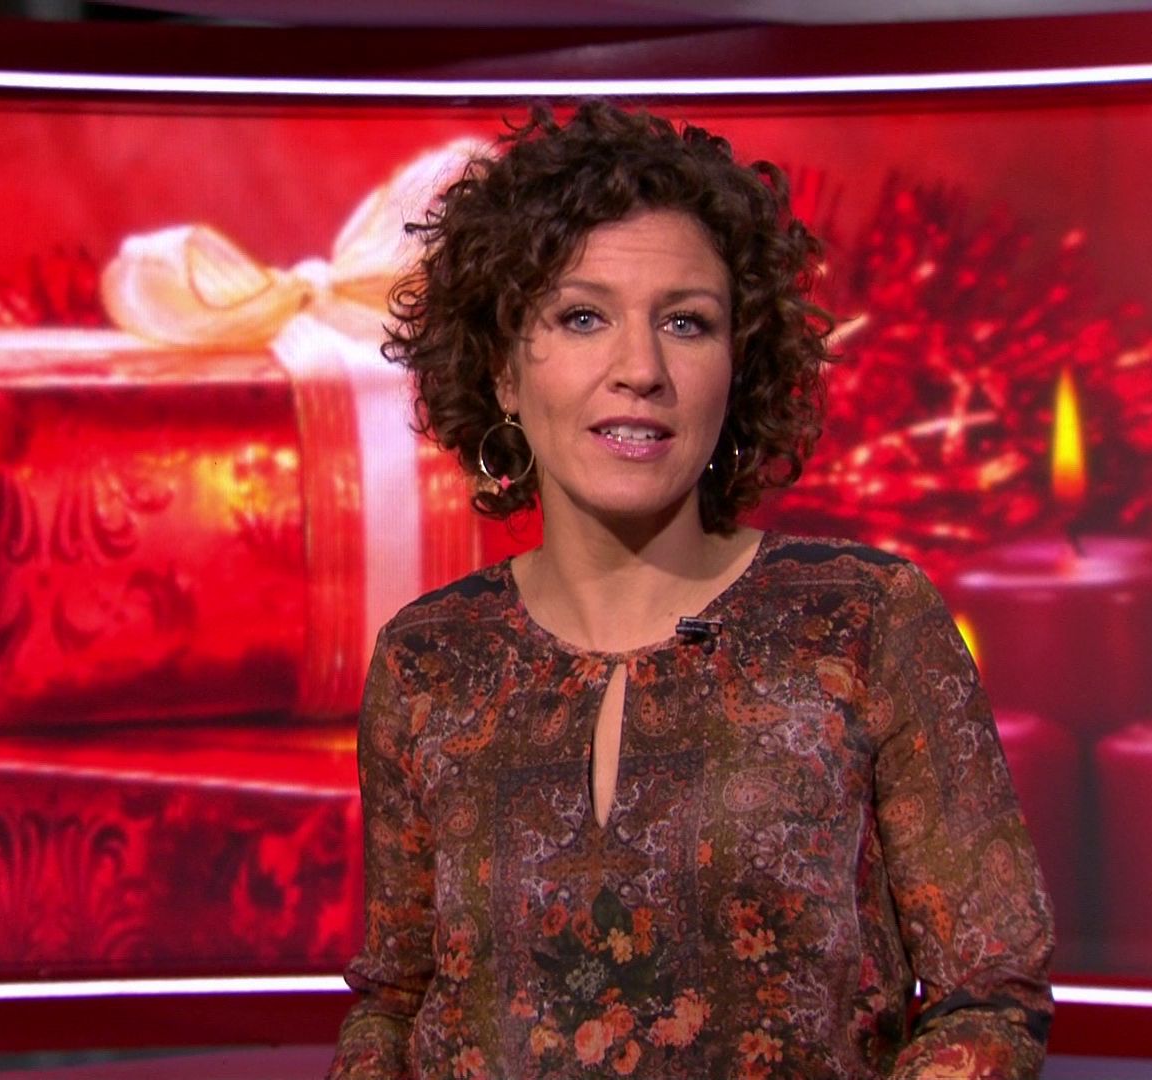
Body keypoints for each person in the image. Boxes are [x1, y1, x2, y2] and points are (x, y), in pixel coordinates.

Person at [327, 101, 1054, 1080]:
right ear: (501, 370)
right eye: (583, 317)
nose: (641, 369)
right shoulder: (429, 660)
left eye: (686, 323)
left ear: (736, 368)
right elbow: (394, 1001)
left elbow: (990, 995)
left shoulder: (862, 622)